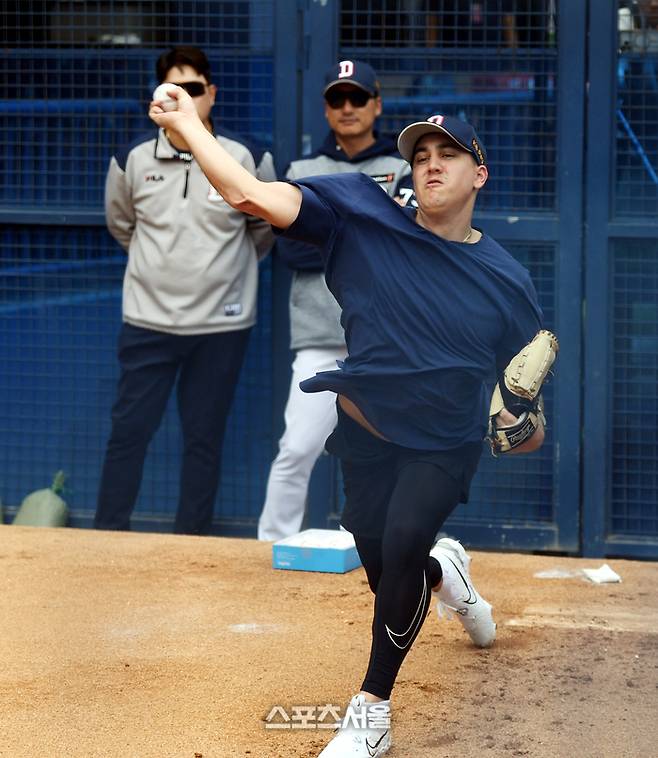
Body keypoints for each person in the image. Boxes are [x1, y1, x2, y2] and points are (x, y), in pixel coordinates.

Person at [149, 87, 550, 756]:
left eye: (448, 154)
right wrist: (190, 127)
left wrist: (515, 424)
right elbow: (252, 195)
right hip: (368, 433)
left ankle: (372, 712)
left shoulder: (506, 282)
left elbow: (526, 422)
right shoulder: (360, 215)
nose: (430, 163)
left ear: (479, 173)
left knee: (401, 539)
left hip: (445, 442)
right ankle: (444, 575)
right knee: (392, 565)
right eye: (420, 153)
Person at [94, 46, 275, 536]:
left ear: (211, 93)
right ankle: (106, 539)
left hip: (221, 326)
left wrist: (224, 271)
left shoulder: (248, 157)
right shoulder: (130, 158)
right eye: (175, 90)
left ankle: (190, 546)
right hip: (147, 323)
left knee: (204, 439)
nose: (187, 99)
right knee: (129, 434)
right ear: (158, 98)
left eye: (195, 88)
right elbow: (122, 225)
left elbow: (262, 230)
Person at [258, 60, 410, 542]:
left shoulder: (401, 167)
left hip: (386, 337)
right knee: (297, 447)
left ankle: (403, 546)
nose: (348, 108)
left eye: (358, 98)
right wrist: (364, 239)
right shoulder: (301, 171)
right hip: (321, 335)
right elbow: (289, 247)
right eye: (337, 99)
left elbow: (404, 246)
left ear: (377, 105)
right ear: (326, 110)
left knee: (403, 449)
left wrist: (329, 235)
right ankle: (272, 543)